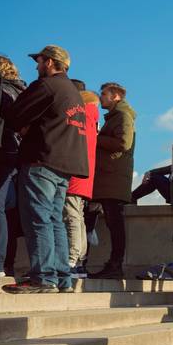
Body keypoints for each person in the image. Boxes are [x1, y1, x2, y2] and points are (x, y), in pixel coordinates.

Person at [2, 45, 88, 294]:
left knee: (38, 219)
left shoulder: (47, 86)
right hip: (66, 165)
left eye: (39, 61)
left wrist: (23, 125)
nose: (36, 66)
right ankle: (62, 278)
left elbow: (15, 115)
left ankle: (43, 277)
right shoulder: (73, 92)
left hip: (42, 160)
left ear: (49, 62)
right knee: (54, 220)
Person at [86, 82, 135, 279]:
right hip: (109, 179)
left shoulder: (123, 116)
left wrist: (95, 137)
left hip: (112, 179)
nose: (101, 97)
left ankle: (115, 265)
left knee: (115, 224)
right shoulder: (116, 117)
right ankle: (113, 264)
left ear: (116, 96)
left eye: (104, 94)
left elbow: (124, 142)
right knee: (112, 223)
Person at [63, 81, 99, 277]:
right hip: (85, 175)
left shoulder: (80, 114)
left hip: (74, 174)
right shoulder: (92, 115)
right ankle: (80, 261)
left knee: (72, 217)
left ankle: (73, 260)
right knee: (78, 217)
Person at [0, 55, 25, 278]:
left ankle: (0, 264)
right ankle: (7, 264)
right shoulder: (22, 91)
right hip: (17, 156)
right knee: (9, 213)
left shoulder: (4, 91)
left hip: (3, 152)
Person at [131, 140, 173, 205]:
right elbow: (161, 170)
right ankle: (133, 197)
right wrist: (148, 172)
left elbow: (163, 171)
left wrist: (149, 173)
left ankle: (132, 197)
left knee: (155, 178)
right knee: (154, 177)